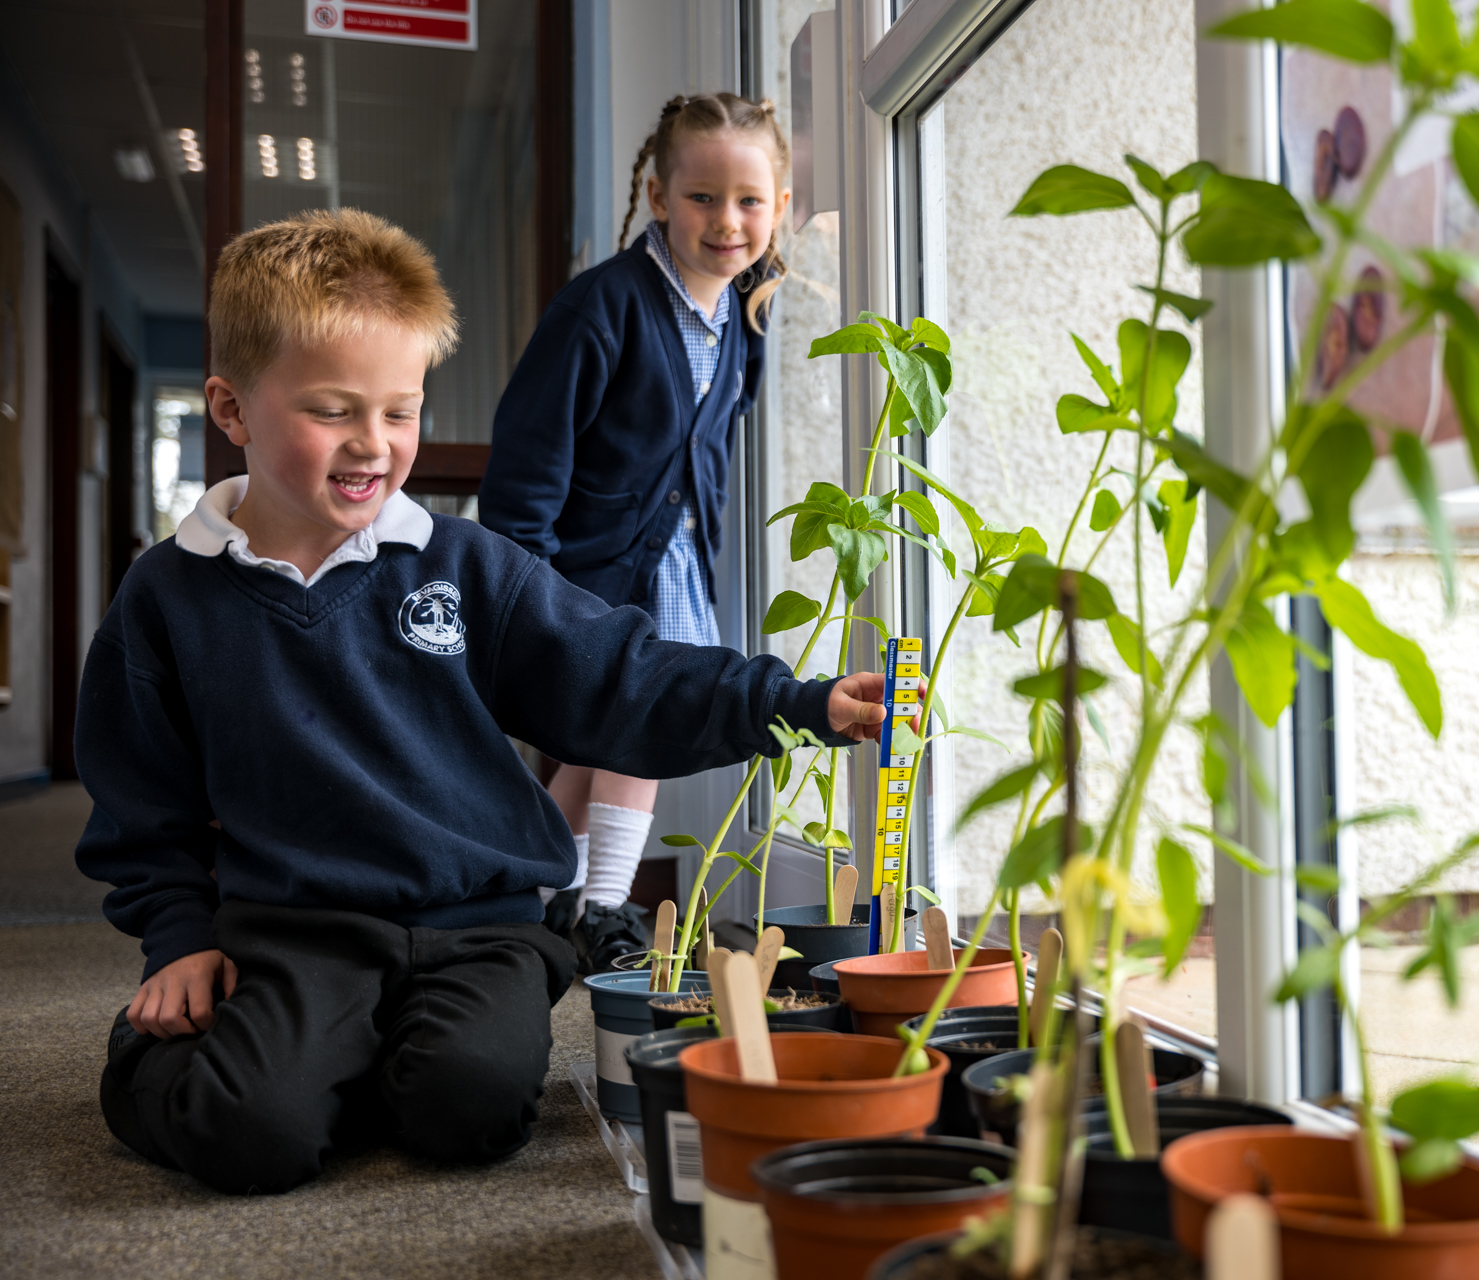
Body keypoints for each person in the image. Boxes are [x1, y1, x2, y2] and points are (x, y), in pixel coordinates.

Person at [76, 208, 886, 1196]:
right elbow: (138, 797)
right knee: (254, 1137)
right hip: (297, 928)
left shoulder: (464, 564)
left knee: (470, 1108)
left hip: (484, 923)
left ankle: (350, 1060)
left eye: (401, 409)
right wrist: (181, 941)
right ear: (231, 409)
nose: (373, 444)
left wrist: (797, 700)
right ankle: (187, 1058)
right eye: (332, 410)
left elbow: (617, 672)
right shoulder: (167, 593)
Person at [478, 93, 792, 974]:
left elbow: (708, 449)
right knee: (638, 721)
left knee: (598, 738)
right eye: (701, 197)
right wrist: (525, 582)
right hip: (588, 568)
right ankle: (606, 907)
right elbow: (530, 457)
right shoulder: (602, 307)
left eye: (749, 200)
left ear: (779, 208)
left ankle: (551, 902)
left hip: (675, 563)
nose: (726, 221)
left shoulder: (742, 319)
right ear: (658, 197)